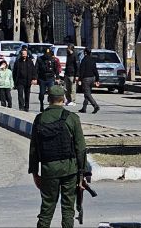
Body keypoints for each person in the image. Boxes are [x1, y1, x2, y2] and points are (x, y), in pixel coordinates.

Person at [29, 85, 89, 228]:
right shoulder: (72, 118)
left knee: (47, 208)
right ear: (63, 99)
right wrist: (83, 173)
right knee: (68, 208)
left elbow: (34, 149)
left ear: (48, 99)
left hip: (48, 170)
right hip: (70, 170)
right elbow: (80, 148)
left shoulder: (39, 119)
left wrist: (34, 172)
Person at [77, 48, 101, 114]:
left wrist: (80, 79)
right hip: (92, 78)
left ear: (85, 53)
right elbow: (95, 70)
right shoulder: (92, 60)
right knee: (87, 93)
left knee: (87, 93)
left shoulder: (84, 60)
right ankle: (84, 108)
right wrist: (97, 79)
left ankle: (95, 106)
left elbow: (82, 71)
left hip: (86, 79)